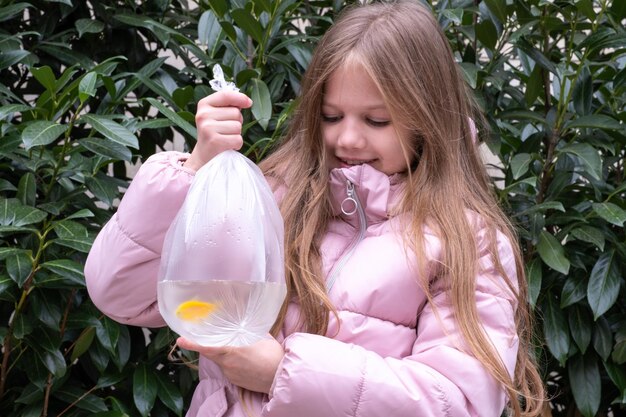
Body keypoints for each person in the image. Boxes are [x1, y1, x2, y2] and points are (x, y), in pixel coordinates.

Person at [85, 1, 546, 416]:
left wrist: (284, 373)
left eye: (376, 120)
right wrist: (195, 169)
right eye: (330, 116)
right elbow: (121, 292)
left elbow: (459, 402)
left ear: (428, 117)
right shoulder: (273, 197)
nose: (346, 138)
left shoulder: (468, 241)